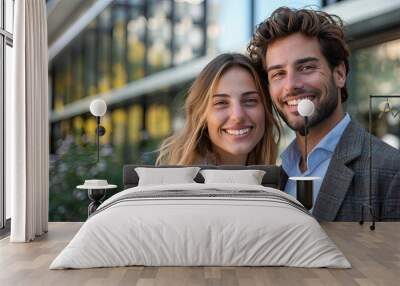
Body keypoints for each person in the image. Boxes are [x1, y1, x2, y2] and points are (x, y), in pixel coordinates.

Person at [248, 7, 400, 221]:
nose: (290, 85)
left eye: (306, 67)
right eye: (278, 74)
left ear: (339, 74)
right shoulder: (272, 178)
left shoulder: (391, 171)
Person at [156, 53, 280, 165]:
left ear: (266, 109)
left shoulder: (278, 182)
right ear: (202, 115)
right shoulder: (184, 186)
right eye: (221, 103)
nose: (237, 116)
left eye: (250, 101)